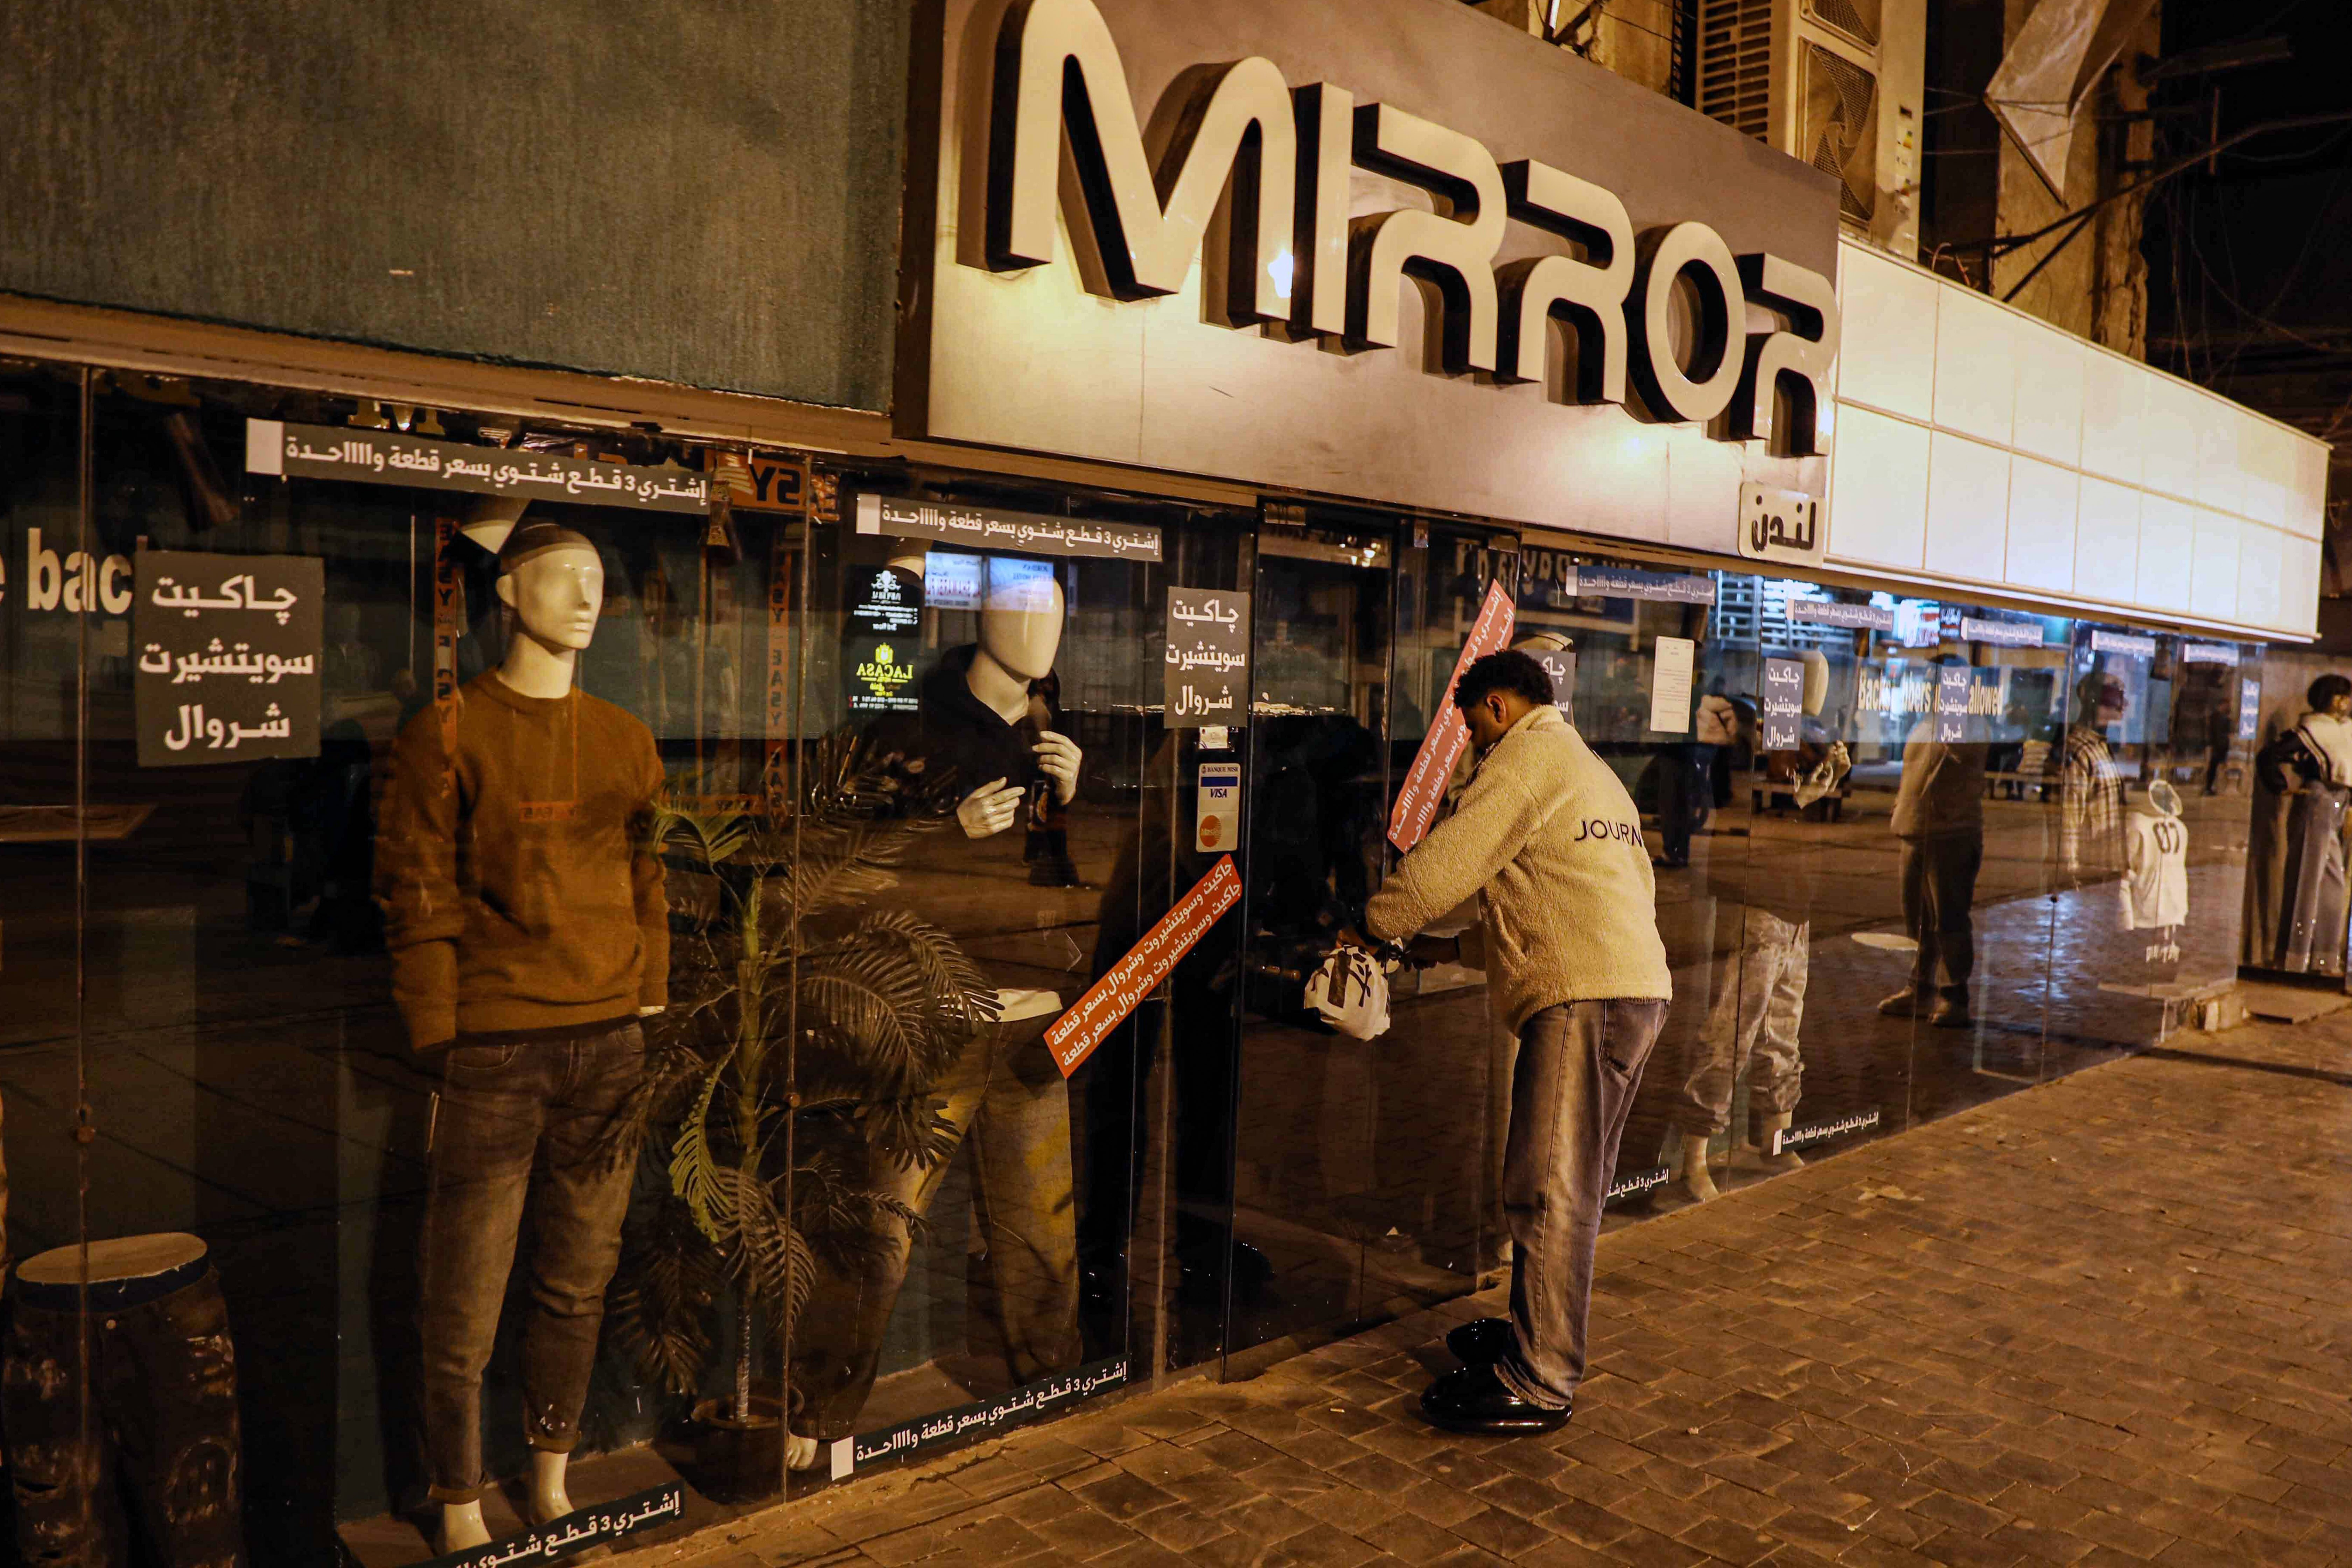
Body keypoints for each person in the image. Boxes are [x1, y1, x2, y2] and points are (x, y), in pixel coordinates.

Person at [1340, 650, 1672, 1436]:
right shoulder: (1586, 767)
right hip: (1633, 988)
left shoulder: (1526, 758)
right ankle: (1535, 1332)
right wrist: (1446, 955)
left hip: (1582, 1000)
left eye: (1467, 726)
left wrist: (1371, 925)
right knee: (1572, 1186)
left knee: (1548, 1189)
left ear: (1494, 706)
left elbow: (1441, 870)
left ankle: (1540, 1376)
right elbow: (1567, 900)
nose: (1468, 743)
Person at [1880, 660, 1988, 1029]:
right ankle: (1920, 986)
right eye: (1928, 683)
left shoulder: (1968, 723)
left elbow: (1958, 751)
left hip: (1951, 834)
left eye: (1936, 683)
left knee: (1950, 918)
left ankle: (1954, 993)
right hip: (1915, 831)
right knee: (1918, 918)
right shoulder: (1924, 722)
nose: (1929, 689)